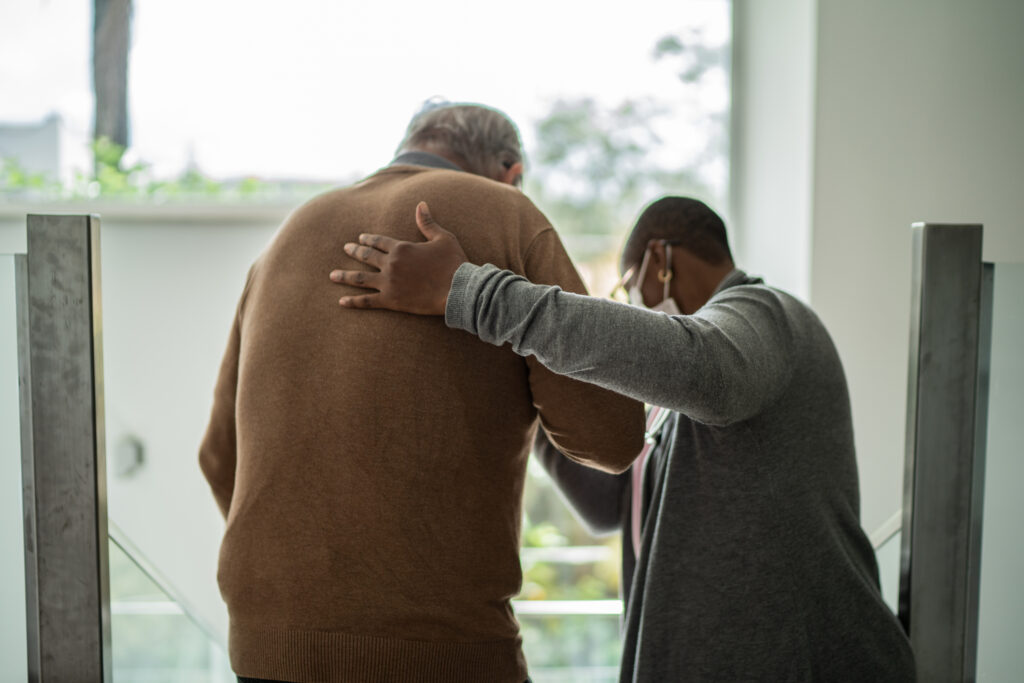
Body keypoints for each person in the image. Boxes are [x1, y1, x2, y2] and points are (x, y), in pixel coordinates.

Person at [329, 196, 917, 682]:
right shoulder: (671, 409)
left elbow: (708, 373)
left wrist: (474, 295)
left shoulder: (765, 312)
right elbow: (607, 505)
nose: (634, 303)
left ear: (660, 257)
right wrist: (528, 380)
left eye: (629, 287)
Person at [198, 101, 645, 683]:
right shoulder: (506, 214)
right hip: (440, 651)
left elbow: (217, 457)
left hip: (267, 646)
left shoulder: (288, 236)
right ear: (510, 170)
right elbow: (610, 437)